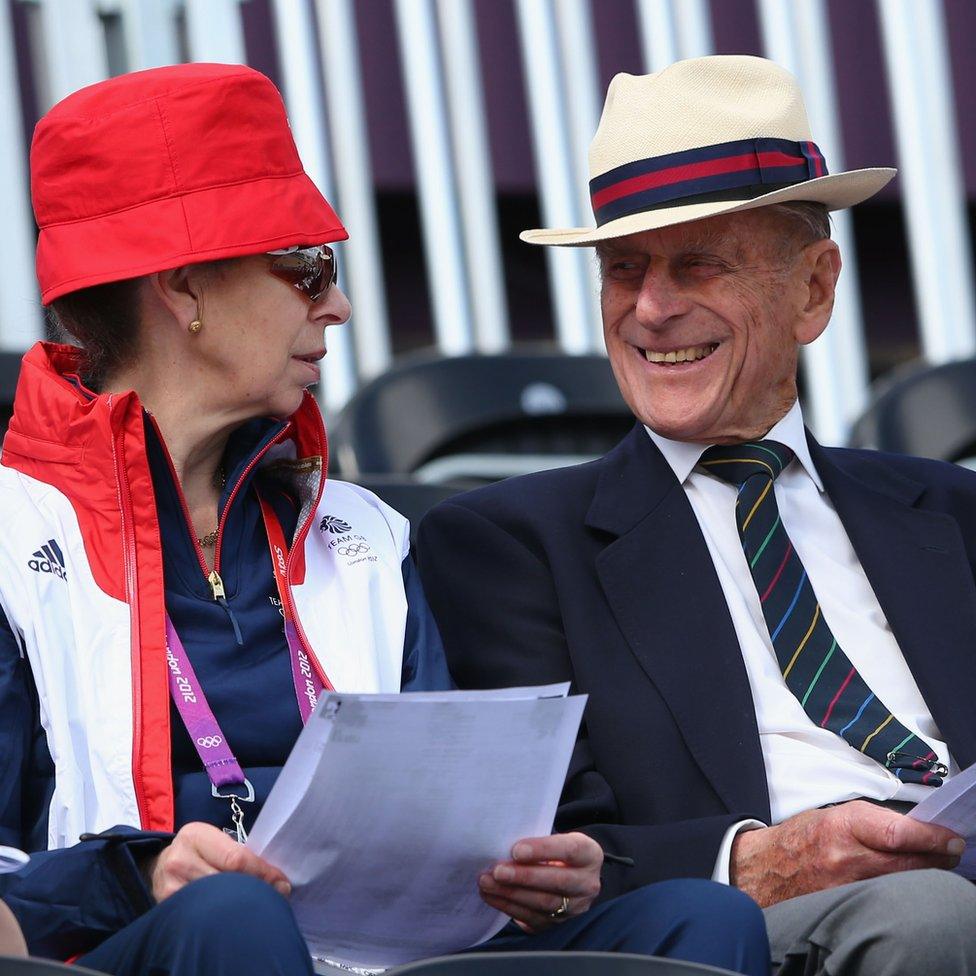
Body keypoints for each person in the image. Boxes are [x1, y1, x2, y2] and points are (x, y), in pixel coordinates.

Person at [0, 63, 769, 976]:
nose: (339, 304)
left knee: (699, 923)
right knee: (232, 920)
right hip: (134, 952)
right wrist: (134, 874)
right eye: (306, 267)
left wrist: (524, 869)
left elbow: (442, 819)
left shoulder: (366, 533)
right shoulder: (13, 540)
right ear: (184, 288)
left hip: (381, 953)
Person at [417, 54, 976, 976]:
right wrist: (756, 862)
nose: (651, 309)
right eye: (623, 269)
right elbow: (542, 860)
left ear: (813, 290)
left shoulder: (953, 512)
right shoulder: (508, 545)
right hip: (762, 932)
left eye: (699, 264)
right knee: (927, 919)